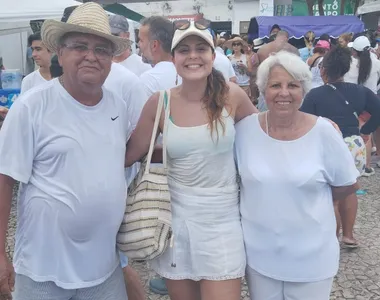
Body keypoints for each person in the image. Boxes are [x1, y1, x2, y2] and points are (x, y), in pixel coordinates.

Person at [0, 3, 132, 300]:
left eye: (102, 49)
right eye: (80, 46)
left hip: (104, 270)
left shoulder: (117, 106)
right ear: (60, 51)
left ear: (111, 59)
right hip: (43, 272)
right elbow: (4, 180)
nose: (91, 56)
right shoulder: (32, 105)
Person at [125, 19, 257, 300]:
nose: (193, 56)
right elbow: (131, 153)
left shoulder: (232, 96)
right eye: (184, 50)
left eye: (201, 48)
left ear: (213, 56)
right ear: (173, 59)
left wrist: (315, 126)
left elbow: (264, 135)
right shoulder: (160, 103)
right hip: (176, 225)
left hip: (223, 224)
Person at [235, 50, 360, 300]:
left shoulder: (324, 132)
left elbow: (346, 184)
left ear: (303, 90)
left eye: (292, 85)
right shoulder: (244, 131)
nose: (284, 93)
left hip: (312, 257)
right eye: (275, 85)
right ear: (263, 90)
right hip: (259, 256)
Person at [300, 46, 380, 247]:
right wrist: (366, 130)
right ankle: (349, 235)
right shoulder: (361, 91)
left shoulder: (314, 95)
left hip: (327, 146)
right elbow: (378, 111)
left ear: (323, 70)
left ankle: (331, 238)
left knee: (331, 195)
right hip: (354, 145)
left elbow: (302, 122)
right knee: (350, 188)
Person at [345, 35, 380, 177]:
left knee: (363, 132)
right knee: (372, 131)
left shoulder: (351, 63)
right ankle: (371, 163)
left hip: (357, 100)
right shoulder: (376, 62)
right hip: (373, 100)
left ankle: (364, 166)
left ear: (355, 51)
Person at [138, 16, 181, 98]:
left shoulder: (148, 79)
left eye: (141, 40)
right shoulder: (187, 72)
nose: (139, 45)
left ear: (154, 45)